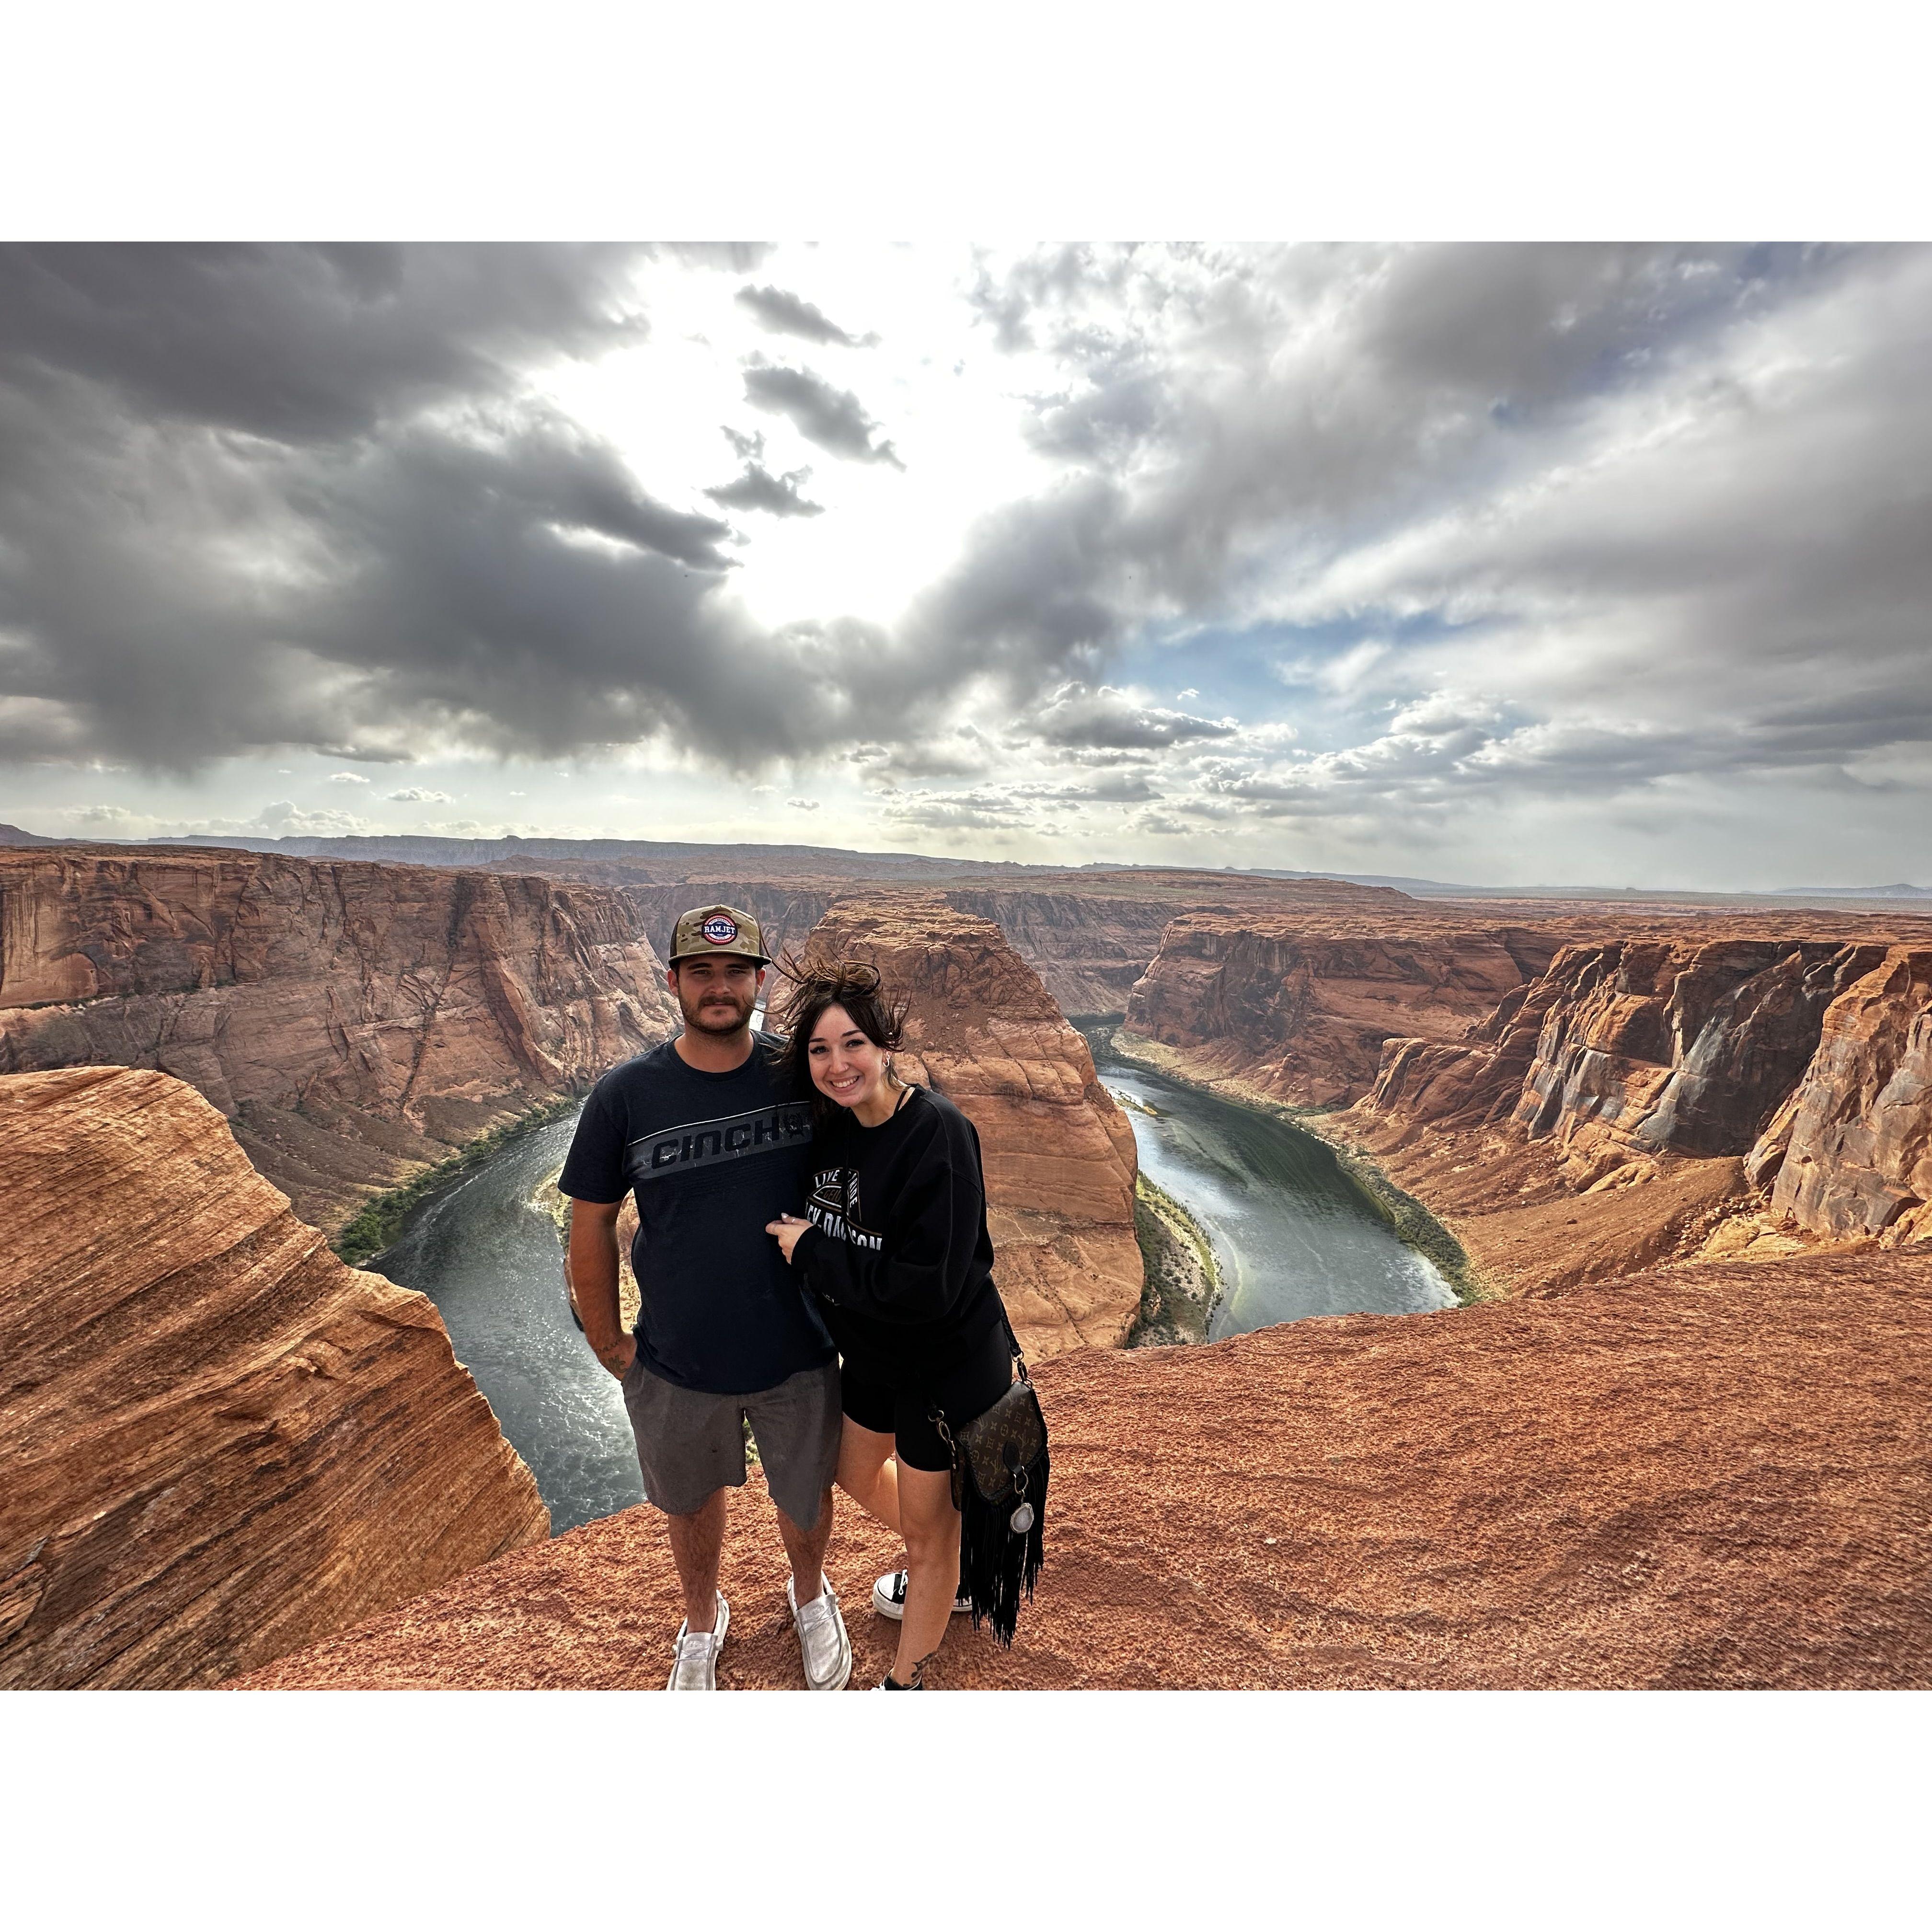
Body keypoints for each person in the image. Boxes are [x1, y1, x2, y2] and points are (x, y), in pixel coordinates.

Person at [560, 904, 852, 1692]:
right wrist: (608, 1341)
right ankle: (701, 1619)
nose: (719, 988)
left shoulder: (803, 1074)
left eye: (735, 973)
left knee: (804, 1492)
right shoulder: (627, 1095)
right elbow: (588, 1223)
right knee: (687, 1503)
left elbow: (875, 1163)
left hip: (800, 1349)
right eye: (702, 973)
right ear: (674, 983)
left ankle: (809, 1594)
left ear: (759, 982)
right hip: (677, 1358)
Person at [765, 959, 1016, 1690]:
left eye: (853, 1045)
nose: (838, 1064)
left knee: (926, 1531)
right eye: (820, 1049)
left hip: (945, 1361)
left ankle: (905, 1682)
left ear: (885, 1046)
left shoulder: (938, 1133)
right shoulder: (834, 1128)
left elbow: (929, 1288)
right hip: (873, 1355)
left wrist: (813, 1251)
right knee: (847, 1470)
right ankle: (950, 1550)